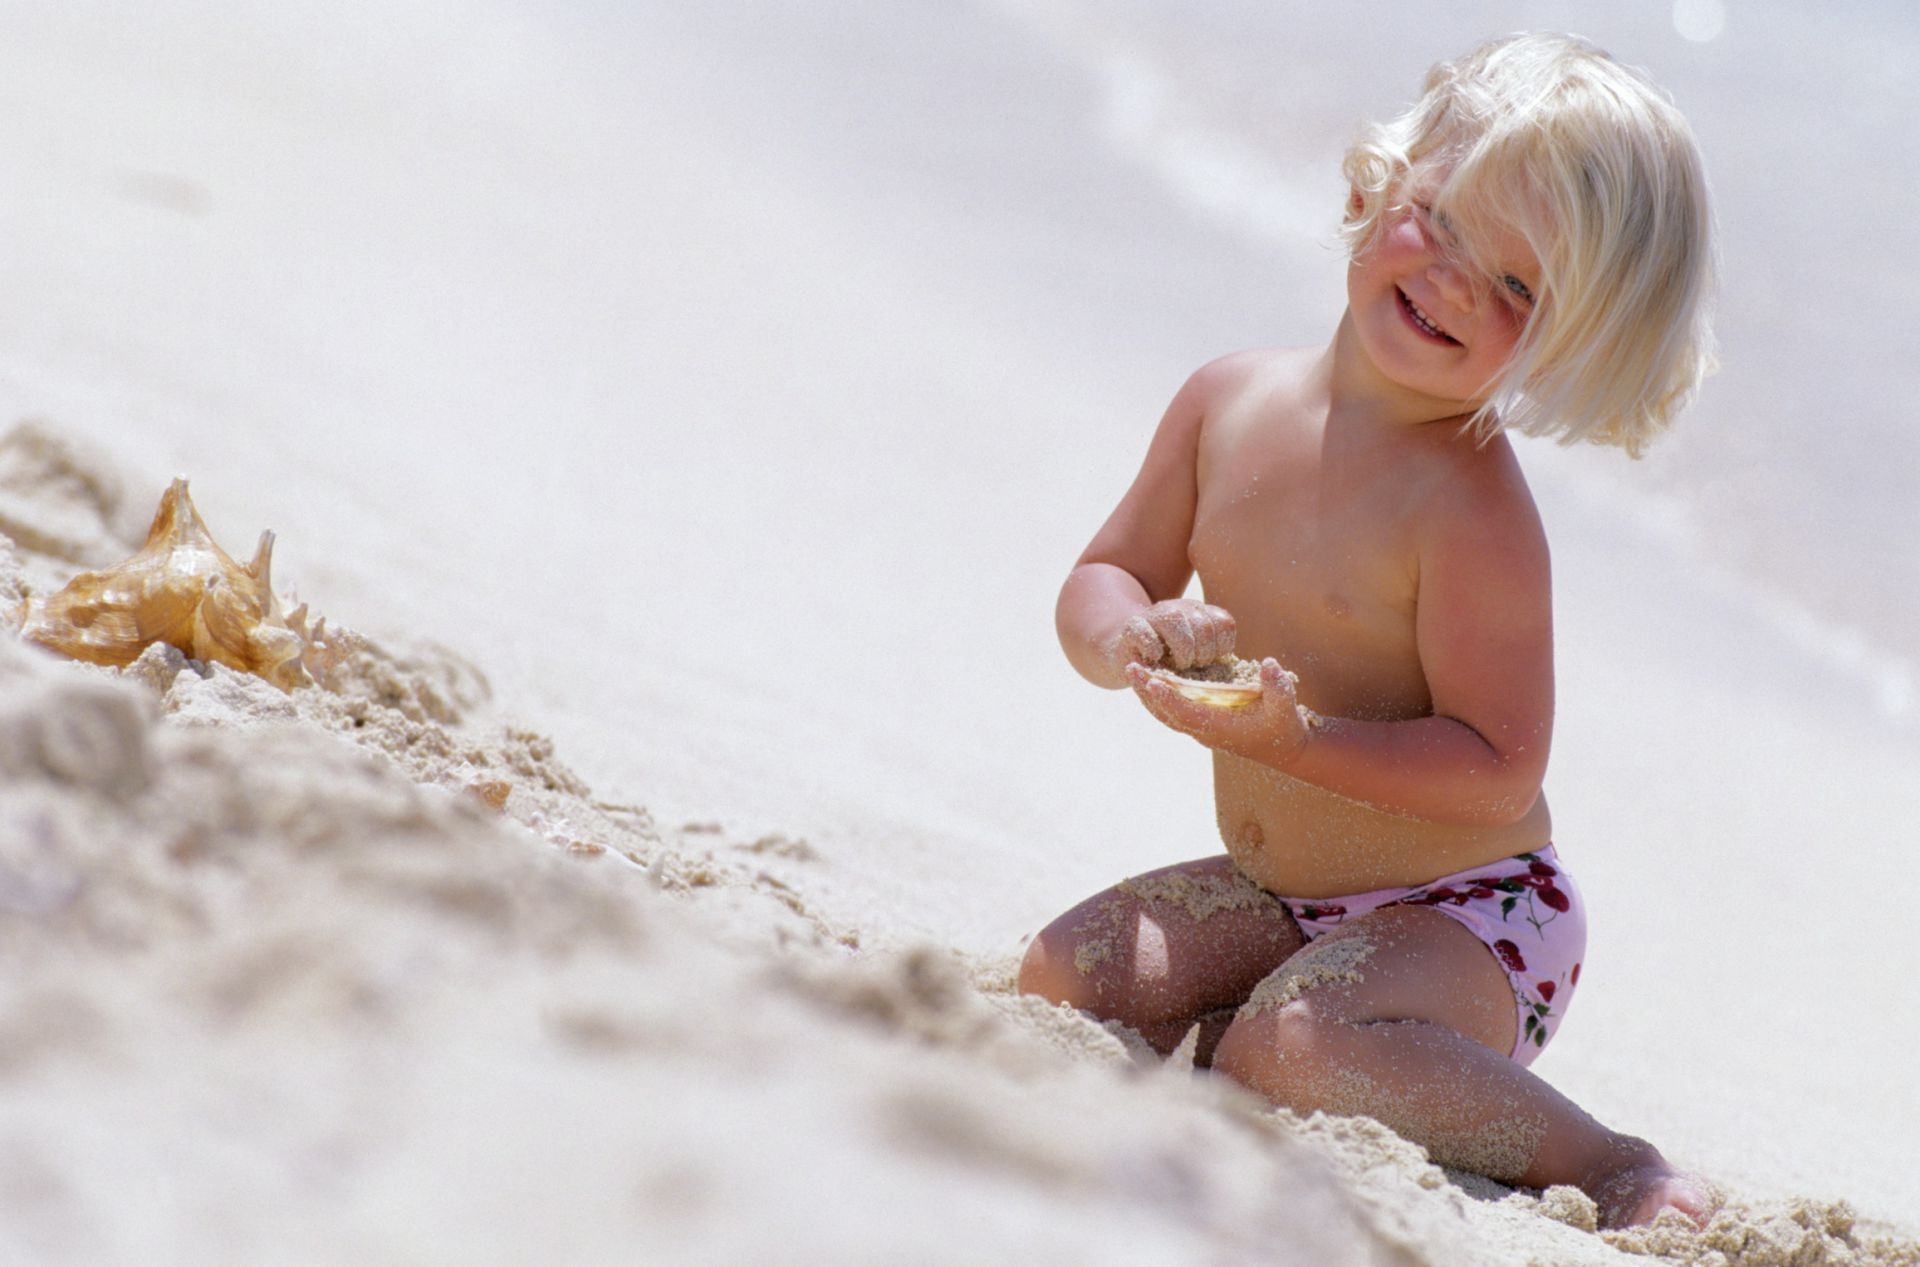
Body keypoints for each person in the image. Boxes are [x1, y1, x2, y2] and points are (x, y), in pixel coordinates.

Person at [1017, 33, 1717, 1230]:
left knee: (1295, 1051)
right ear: (1377, 185)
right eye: (1442, 223)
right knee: (1059, 979)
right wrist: (1133, 636)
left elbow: (1500, 773)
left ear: (1567, 341)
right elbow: (1102, 574)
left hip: (1470, 912)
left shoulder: (1474, 513)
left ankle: (1609, 1162)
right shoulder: (1226, 402)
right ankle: (1281, 1039)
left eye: (1517, 288)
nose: (1453, 281)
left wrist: (1297, 745)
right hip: (1287, 889)